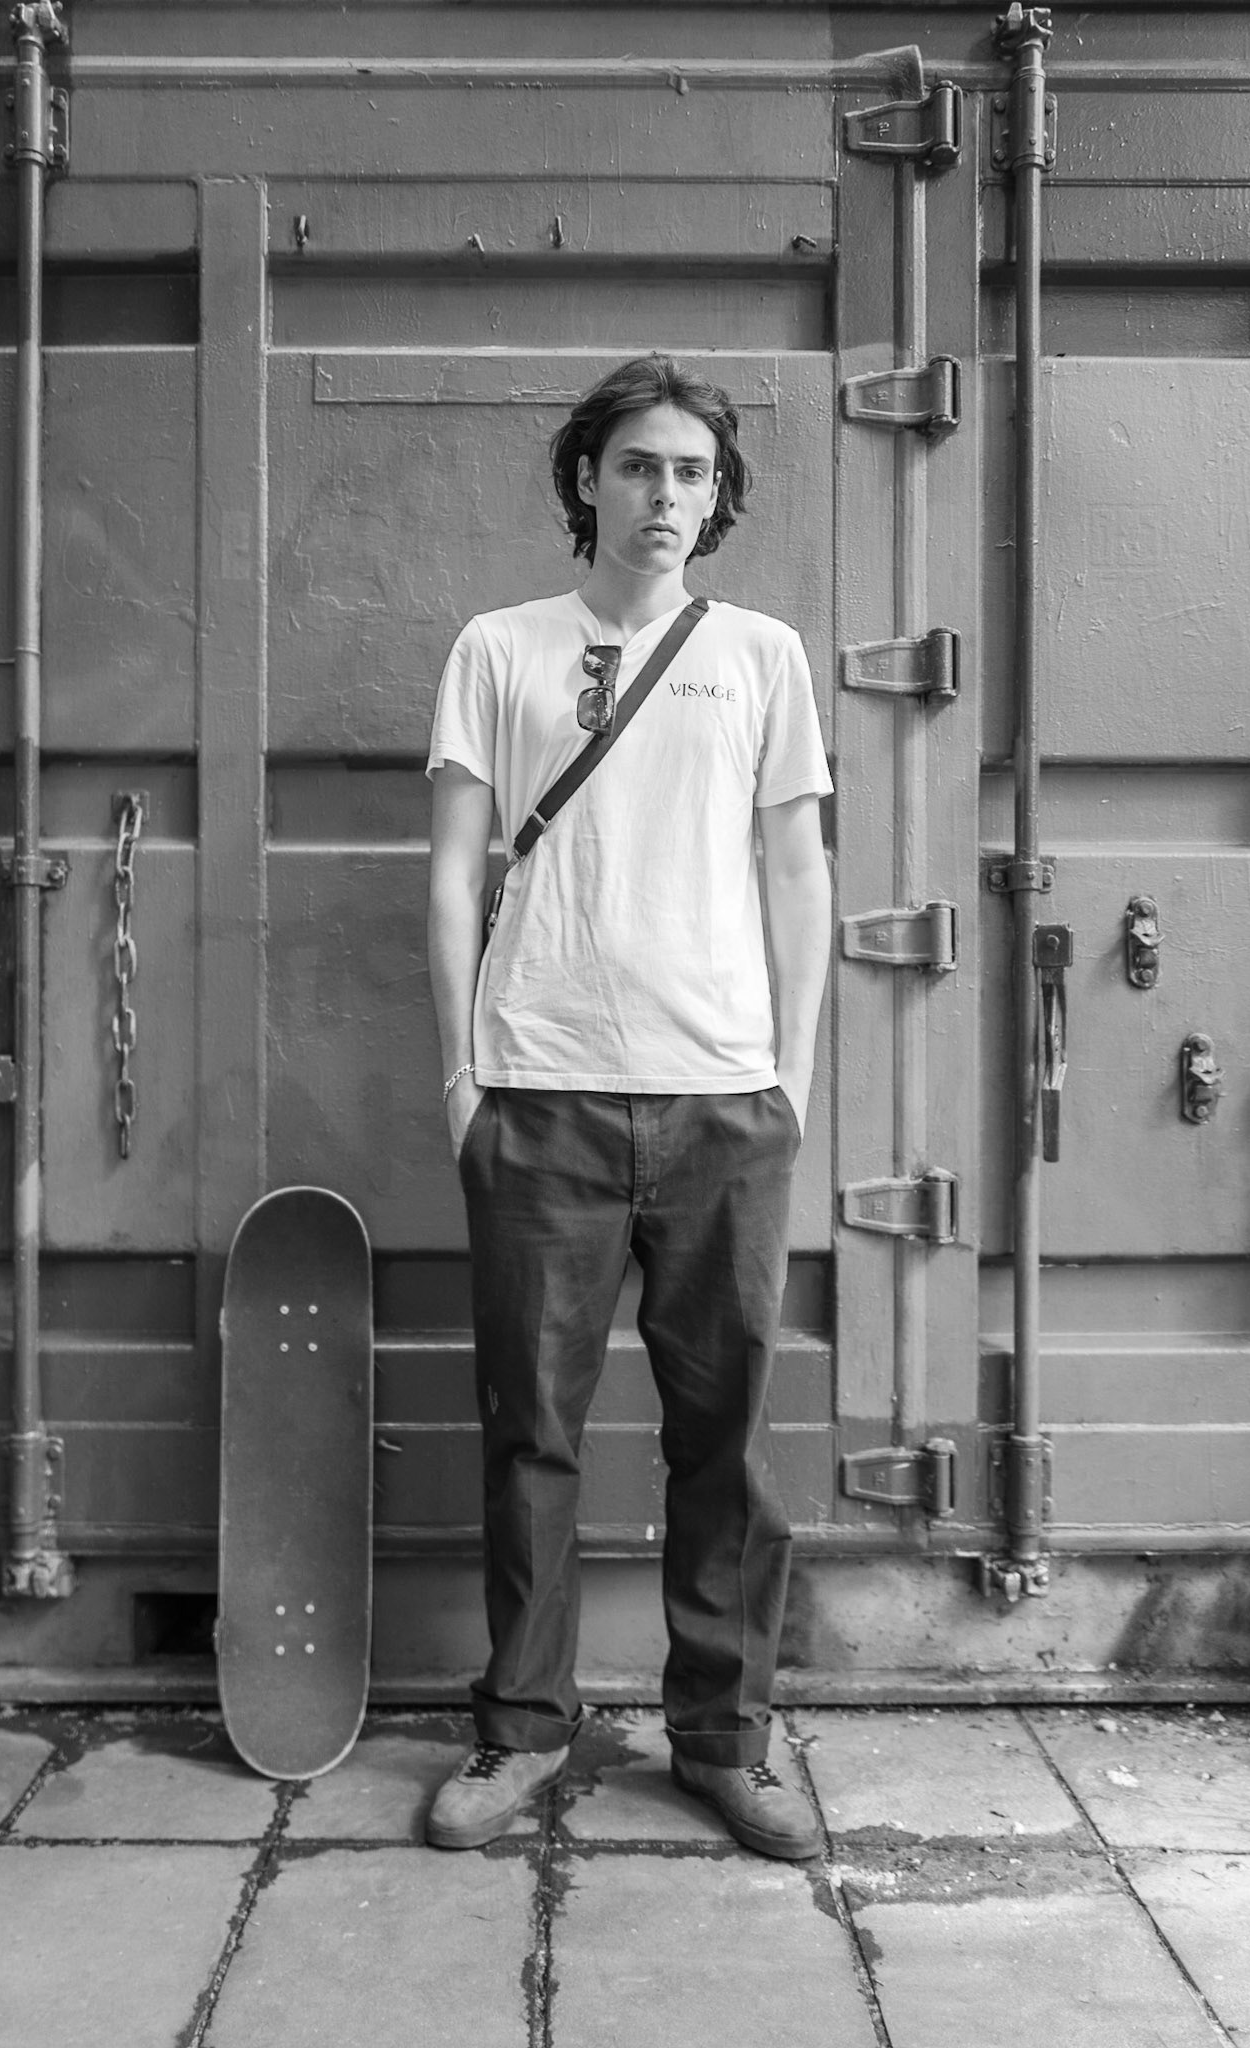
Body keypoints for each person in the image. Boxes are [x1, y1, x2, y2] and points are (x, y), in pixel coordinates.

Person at [424, 354, 832, 1860]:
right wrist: (462, 1073)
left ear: (716, 501)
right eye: (640, 467)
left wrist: (788, 1072)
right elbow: (455, 870)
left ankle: (722, 1740)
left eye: (693, 475)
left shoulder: (761, 657)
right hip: (538, 1098)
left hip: (722, 1104)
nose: (667, 496)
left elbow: (798, 870)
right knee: (528, 1432)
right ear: (585, 480)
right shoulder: (498, 648)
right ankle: (520, 1733)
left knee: (719, 1438)